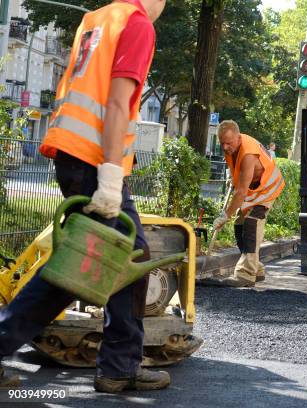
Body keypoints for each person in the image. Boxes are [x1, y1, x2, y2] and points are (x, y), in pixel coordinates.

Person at [0, 0, 170, 393]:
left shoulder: (95, 20)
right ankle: (117, 366)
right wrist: (111, 177)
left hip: (75, 154)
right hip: (95, 161)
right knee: (83, 268)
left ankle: (119, 364)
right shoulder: (137, 24)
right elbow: (115, 102)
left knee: (123, 256)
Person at [208, 120, 285, 287]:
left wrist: (225, 215)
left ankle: (246, 273)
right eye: (222, 143)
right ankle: (256, 268)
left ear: (238, 137)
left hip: (267, 189)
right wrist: (232, 178)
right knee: (240, 224)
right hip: (254, 190)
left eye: (229, 143)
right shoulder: (231, 149)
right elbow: (238, 174)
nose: (225, 147)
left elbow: (241, 192)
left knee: (251, 223)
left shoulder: (248, 154)